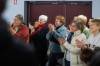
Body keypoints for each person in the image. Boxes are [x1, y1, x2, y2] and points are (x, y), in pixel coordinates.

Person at [0, 0, 34, 65]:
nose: (14, 21)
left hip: (21, 51)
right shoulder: (12, 26)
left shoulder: (25, 28)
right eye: (14, 19)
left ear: (20, 21)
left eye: (15, 20)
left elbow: (19, 37)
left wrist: (10, 28)